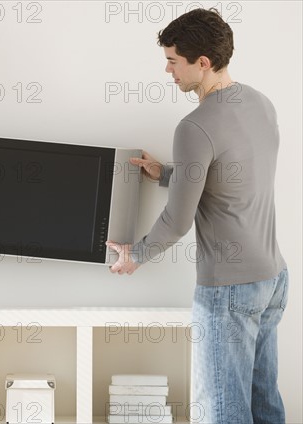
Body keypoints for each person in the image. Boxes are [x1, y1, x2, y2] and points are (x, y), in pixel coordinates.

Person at [105, 9, 288, 424]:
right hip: (273, 278)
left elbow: (177, 220)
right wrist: (168, 173)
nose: (167, 70)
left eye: (173, 60)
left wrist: (135, 255)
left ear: (202, 62)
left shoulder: (195, 126)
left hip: (229, 290)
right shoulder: (260, 102)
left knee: (224, 412)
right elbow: (233, 178)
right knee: (264, 406)